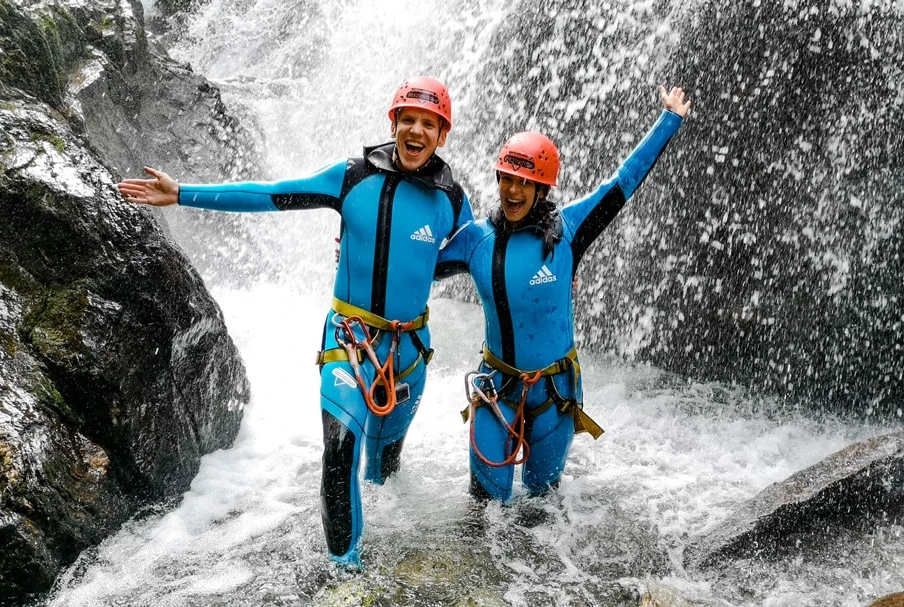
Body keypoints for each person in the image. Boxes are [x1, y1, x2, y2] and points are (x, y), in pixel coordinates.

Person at [117, 76, 474, 567]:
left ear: (442, 134)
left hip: (409, 352)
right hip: (349, 341)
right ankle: (345, 573)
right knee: (340, 448)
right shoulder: (352, 177)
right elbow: (271, 194)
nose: (416, 131)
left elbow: (484, 255)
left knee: (384, 467)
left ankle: (389, 534)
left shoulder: (452, 198)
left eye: (428, 124)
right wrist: (182, 193)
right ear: (393, 124)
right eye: (407, 120)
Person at [435, 85, 690, 502]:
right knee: (482, 512)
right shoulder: (476, 241)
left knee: (540, 507)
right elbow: (415, 268)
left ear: (542, 189)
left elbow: (622, 183)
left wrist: (669, 119)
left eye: (525, 182)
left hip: (554, 394)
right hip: (496, 387)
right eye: (507, 180)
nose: (513, 192)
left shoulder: (571, 231)